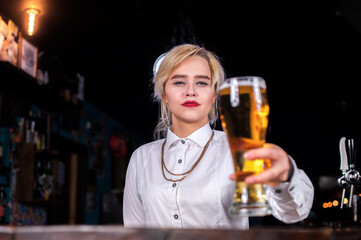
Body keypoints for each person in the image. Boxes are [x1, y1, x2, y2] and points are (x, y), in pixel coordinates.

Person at [123, 43, 314, 229]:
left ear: (215, 95)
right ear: (164, 93)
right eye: (179, 82)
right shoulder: (141, 158)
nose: (190, 91)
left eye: (202, 82)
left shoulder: (240, 149)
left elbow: (294, 213)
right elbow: (135, 232)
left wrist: (285, 176)